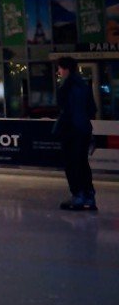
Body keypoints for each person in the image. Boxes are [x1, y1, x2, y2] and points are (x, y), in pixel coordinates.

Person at [55, 57, 97, 211]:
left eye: (59, 68)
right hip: (84, 129)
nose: (58, 72)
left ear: (66, 69)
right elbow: (92, 109)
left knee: (71, 163)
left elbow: (64, 110)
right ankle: (89, 195)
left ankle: (77, 195)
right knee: (82, 163)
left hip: (71, 130)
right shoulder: (84, 84)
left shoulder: (66, 87)